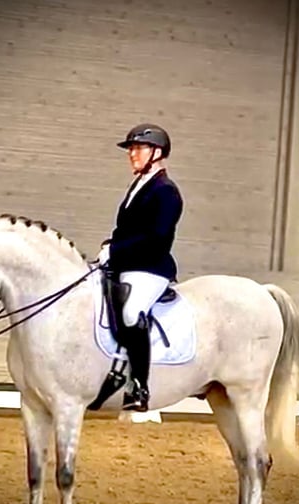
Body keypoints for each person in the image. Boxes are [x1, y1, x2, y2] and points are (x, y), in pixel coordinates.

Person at [98, 123, 183, 411]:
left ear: (157, 152)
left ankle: (139, 386)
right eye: (131, 149)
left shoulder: (167, 191)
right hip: (125, 263)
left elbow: (156, 237)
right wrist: (110, 245)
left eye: (138, 148)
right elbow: (128, 229)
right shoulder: (138, 185)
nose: (132, 154)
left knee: (131, 312)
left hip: (150, 267)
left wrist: (115, 250)